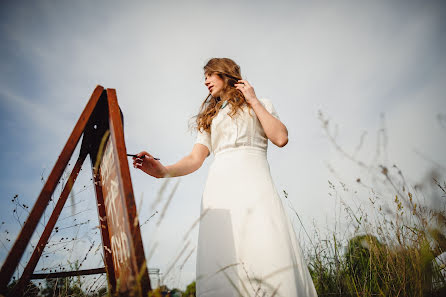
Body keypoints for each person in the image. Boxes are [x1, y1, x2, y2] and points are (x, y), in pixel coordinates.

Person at [133, 58, 318, 297]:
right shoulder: (209, 119)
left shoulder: (261, 104)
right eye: (205, 77)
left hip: (255, 182)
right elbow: (194, 159)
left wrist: (252, 99)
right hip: (219, 188)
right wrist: (162, 170)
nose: (205, 81)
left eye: (210, 75)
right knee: (223, 255)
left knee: (266, 244)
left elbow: (280, 138)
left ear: (225, 74)